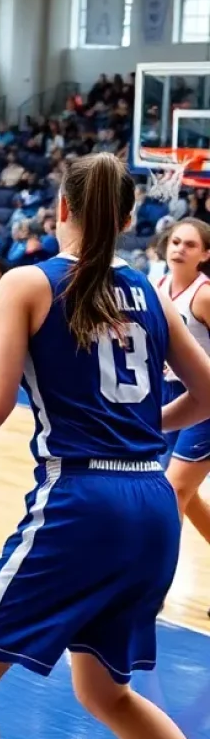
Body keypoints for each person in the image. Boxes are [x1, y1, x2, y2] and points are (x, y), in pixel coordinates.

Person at [0, 153, 210, 739]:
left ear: (60, 211)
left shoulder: (27, 281)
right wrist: (146, 426)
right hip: (153, 502)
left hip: (84, 500)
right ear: (131, 218)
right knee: (105, 693)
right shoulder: (149, 289)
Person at [156, 220, 210, 582]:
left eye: (190, 244)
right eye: (175, 241)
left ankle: (153, 587)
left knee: (170, 492)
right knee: (178, 492)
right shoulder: (157, 286)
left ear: (205, 254)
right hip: (168, 394)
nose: (179, 248)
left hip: (204, 399)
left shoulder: (204, 295)